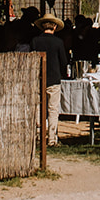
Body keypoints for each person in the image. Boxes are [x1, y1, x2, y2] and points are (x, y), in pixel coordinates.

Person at [32, 13, 70, 146]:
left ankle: (37, 136)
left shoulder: (35, 41)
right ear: (54, 26)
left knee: (38, 108)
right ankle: (52, 138)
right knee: (53, 109)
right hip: (54, 79)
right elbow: (64, 61)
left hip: (38, 78)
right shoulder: (58, 42)